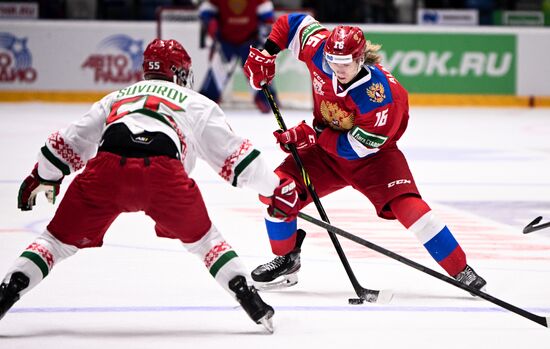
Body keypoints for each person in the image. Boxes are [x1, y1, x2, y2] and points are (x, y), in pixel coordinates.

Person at [1, 38, 301, 332]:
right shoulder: (195, 102)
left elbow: (72, 138)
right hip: (163, 174)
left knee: (54, 242)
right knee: (206, 242)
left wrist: (44, 174)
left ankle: (9, 288)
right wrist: (274, 188)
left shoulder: (119, 96)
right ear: (181, 73)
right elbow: (238, 157)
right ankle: (251, 301)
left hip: (106, 169)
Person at [242, 13, 487, 292]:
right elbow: (291, 23)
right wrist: (266, 53)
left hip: (375, 158)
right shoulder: (321, 49)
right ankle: (286, 258)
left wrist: (311, 136)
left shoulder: (380, 96)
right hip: (325, 154)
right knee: (277, 191)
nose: (337, 68)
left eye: (345, 63)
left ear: (361, 58)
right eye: (333, 62)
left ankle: (460, 269)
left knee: (412, 210)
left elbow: (355, 147)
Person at [197, 0, 279, 113]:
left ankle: (266, 100)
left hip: (250, 41)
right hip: (225, 41)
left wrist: (264, 32)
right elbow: (205, 10)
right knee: (217, 71)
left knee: (257, 72)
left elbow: (268, 17)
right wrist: (210, 21)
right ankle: (207, 101)